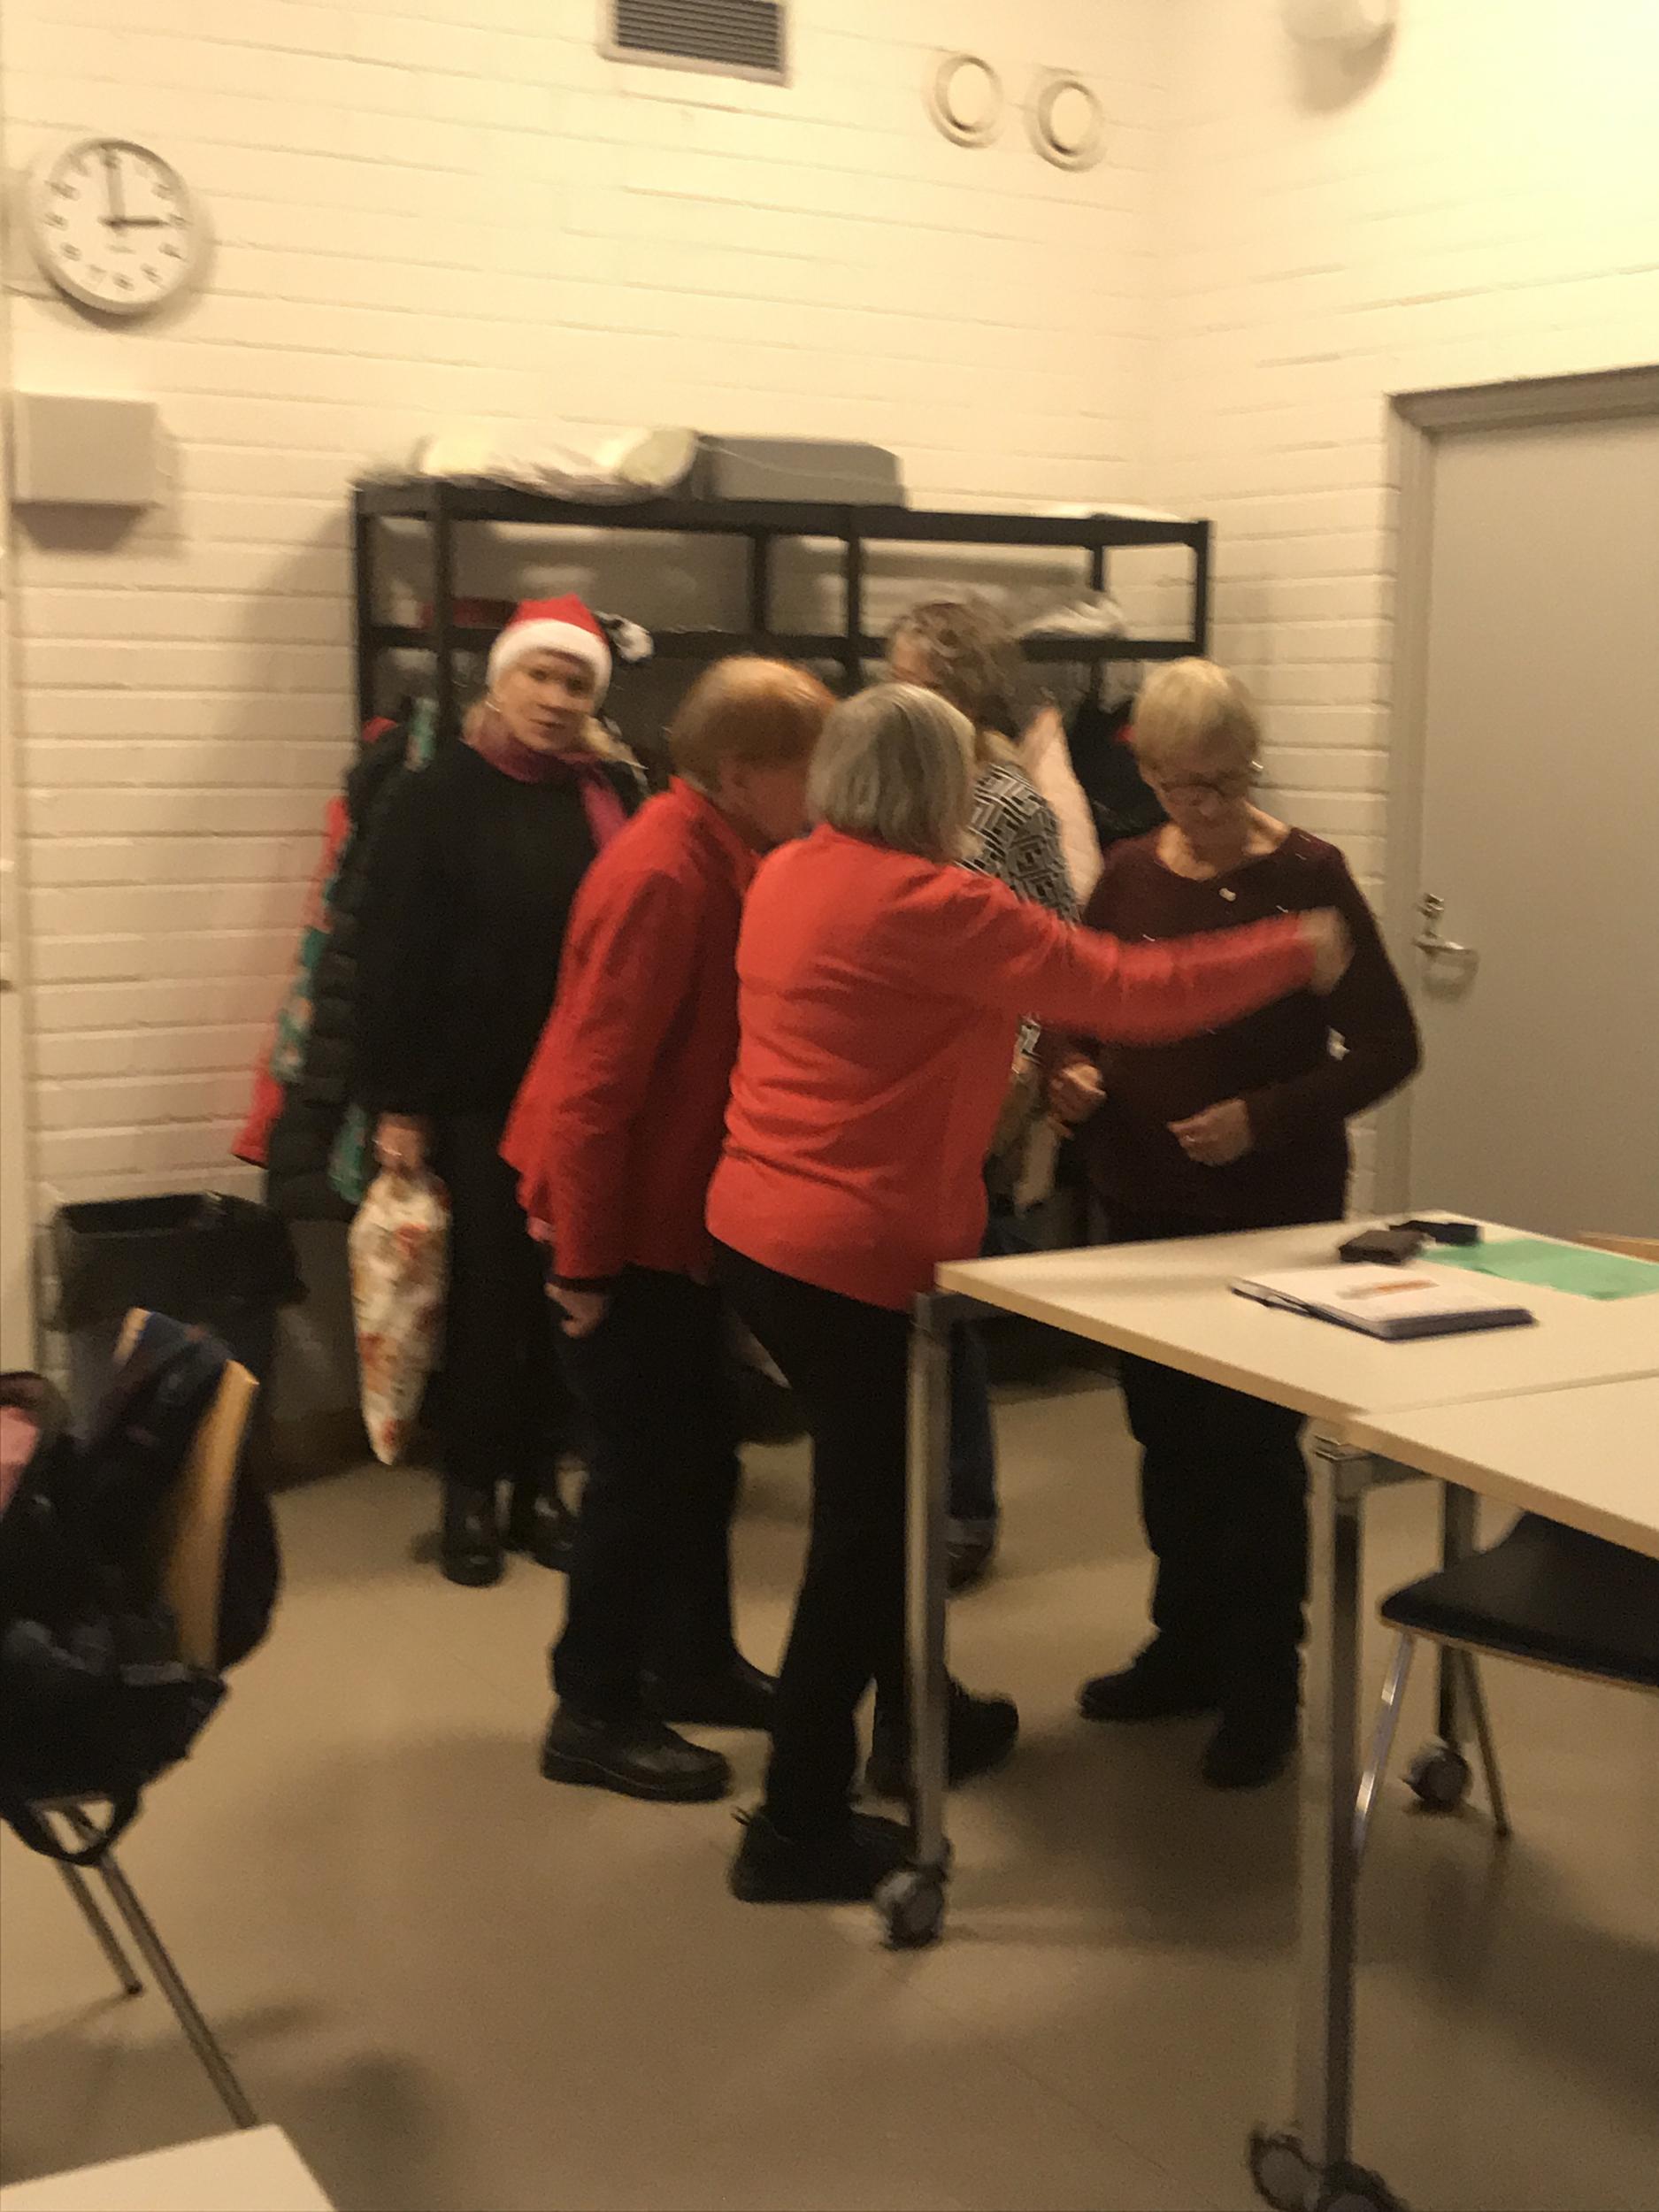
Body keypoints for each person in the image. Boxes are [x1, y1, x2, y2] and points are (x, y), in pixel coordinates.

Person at [706, 682, 1352, 1906]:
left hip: (759, 1230)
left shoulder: (790, 871)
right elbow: (1124, 990)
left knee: (879, 1512)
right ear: (931, 785)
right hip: (850, 1253)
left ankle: (918, 1724)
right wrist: (1288, 950)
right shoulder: (932, 905)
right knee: (862, 1541)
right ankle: (795, 1824)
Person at [1047, 658, 1421, 1789]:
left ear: (1252, 765)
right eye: (1181, 785)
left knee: (1251, 1458)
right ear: (1150, 773)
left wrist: (1265, 1117)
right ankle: (1185, 1648)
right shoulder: (1127, 873)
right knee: (1166, 1442)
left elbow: (1390, 1047)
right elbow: (1078, 1004)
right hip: (1142, 1203)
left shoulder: (1305, 875)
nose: (1205, 806)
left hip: (1270, 1212)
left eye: (1226, 781)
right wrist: (1072, 1072)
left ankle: (1263, 1686)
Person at [502, 658, 833, 1805]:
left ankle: (689, 1661)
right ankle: (591, 1708)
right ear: (741, 772)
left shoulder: (718, 849)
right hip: (620, 1227)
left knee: (697, 1456)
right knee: (637, 1474)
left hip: (670, 1225)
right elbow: (596, 1088)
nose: (825, 793)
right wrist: (585, 1265)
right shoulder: (664, 872)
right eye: (809, 770)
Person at [357, 597, 641, 1588]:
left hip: (584, 1090)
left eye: (576, 683)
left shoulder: (608, 794)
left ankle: (539, 1487)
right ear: (501, 679)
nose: (555, 700)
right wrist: (400, 1103)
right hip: (476, 1089)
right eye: (539, 676)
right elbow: (392, 956)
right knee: (491, 1298)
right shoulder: (435, 796)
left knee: (572, 1293)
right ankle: (470, 1492)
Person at [886, 601, 1080, 1592]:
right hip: (896, 1079)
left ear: (959, 689)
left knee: (945, 1296)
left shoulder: (1005, 800)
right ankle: (906, 1499)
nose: (893, 694)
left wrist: (1022, 1072)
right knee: (897, 1292)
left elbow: (1056, 942)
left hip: (976, 1085)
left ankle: (964, 1507)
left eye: (912, 678)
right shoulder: (895, 787)